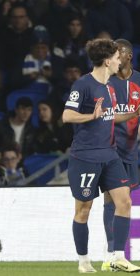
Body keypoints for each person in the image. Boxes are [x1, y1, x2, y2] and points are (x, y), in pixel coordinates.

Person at [62, 38, 140, 273]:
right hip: (85, 156)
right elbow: (67, 116)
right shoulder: (83, 85)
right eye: (117, 57)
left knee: (124, 201)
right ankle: (83, 261)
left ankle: (117, 257)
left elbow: (109, 116)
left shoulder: (108, 87)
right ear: (108, 61)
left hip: (110, 155)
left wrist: (133, 114)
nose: (120, 61)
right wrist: (90, 116)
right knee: (83, 210)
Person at [101, 39, 140, 272]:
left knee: (123, 202)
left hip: (132, 151)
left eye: (117, 53)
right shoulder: (106, 82)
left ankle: (116, 255)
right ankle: (111, 254)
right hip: (110, 149)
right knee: (111, 199)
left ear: (128, 55)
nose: (114, 58)